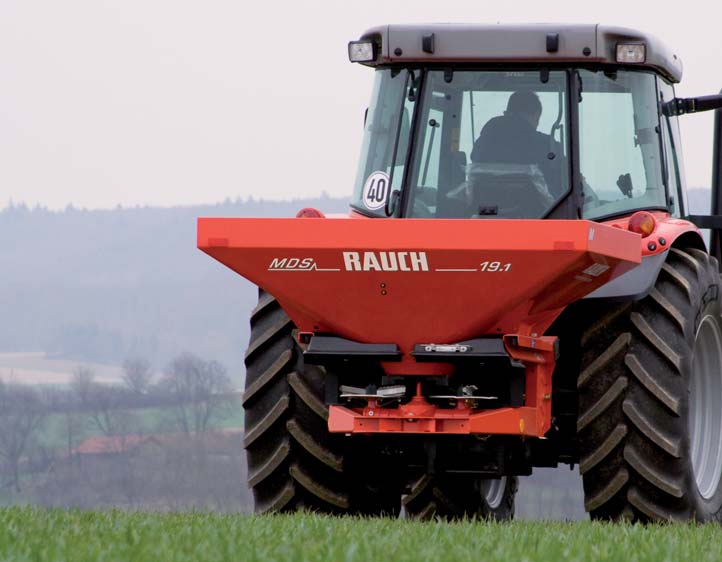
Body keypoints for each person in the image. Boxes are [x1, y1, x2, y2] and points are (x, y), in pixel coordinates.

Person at [470, 90, 563, 196]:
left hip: (484, 208)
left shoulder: (482, 143)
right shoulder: (548, 146)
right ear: (535, 115)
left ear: (506, 113)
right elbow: (561, 185)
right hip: (541, 211)